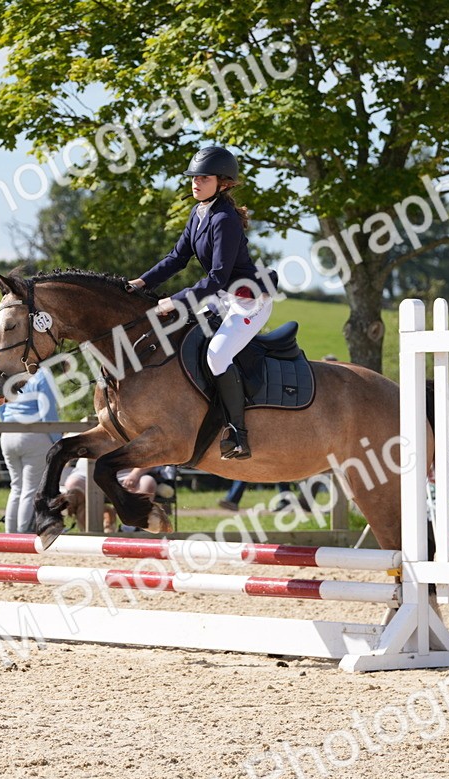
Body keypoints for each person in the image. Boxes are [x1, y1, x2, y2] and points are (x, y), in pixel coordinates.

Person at [127, 145, 277, 460]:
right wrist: (141, 283)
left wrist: (174, 300)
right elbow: (176, 258)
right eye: (194, 177)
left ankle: (238, 433)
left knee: (217, 355)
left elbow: (218, 277)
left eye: (203, 178)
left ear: (222, 182)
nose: (195, 183)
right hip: (223, 297)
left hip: (248, 300)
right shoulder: (198, 213)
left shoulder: (224, 219)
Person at [0, 371, 59, 533]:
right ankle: (24, 535)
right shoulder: (42, 374)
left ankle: (10, 535)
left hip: (8, 435)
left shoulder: (11, 374)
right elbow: (48, 410)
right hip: (33, 434)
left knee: (16, 487)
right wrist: (57, 440)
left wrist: (7, 424)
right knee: (31, 489)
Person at [62, 459, 162, 534]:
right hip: (86, 472)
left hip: (126, 475)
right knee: (72, 487)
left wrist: (135, 474)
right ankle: (79, 527)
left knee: (147, 482)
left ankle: (130, 529)